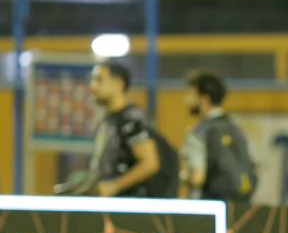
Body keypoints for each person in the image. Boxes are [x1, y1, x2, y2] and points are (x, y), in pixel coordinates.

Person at [56, 60, 179, 198]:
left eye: (99, 80)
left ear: (119, 84)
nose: (93, 86)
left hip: (128, 210)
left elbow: (150, 163)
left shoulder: (131, 120)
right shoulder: (108, 121)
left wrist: (114, 186)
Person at [179, 70, 258, 202]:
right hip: (240, 206)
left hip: (209, 207)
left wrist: (183, 178)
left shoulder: (198, 133)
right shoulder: (237, 129)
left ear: (205, 99)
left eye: (190, 94)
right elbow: (254, 166)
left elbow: (197, 178)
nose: (185, 99)